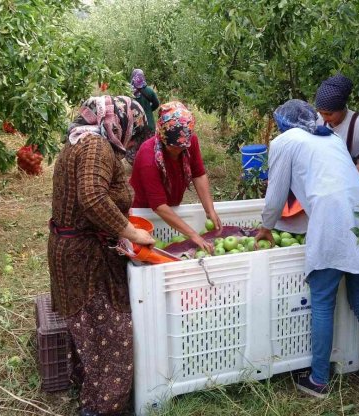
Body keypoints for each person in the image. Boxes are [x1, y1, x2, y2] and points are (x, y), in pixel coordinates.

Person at [255, 99, 359, 398]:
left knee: (322, 303)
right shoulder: (329, 137)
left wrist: (266, 227)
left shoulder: (284, 141)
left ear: (283, 123)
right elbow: (331, 183)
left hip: (335, 222)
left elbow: (276, 195)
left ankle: (318, 380)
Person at [48, 95, 155, 416]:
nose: (132, 140)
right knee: (113, 338)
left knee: (94, 332)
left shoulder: (83, 140)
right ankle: (98, 408)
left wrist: (117, 230)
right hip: (83, 258)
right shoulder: (95, 147)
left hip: (80, 250)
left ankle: (90, 392)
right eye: (132, 131)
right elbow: (92, 198)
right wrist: (131, 232)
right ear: (116, 122)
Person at [130, 101, 222, 253]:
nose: (178, 150)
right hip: (147, 214)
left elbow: (198, 174)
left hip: (172, 208)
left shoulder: (188, 140)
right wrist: (193, 235)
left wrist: (209, 210)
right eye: (173, 146)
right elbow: (158, 205)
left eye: (183, 147)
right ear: (162, 136)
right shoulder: (148, 157)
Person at [128, 68, 160, 160]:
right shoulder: (149, 91)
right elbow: (156, 103)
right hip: (148, 124)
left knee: (134, 146)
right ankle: (148, 162)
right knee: (149, 146)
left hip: (135, 125)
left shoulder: (128, 92)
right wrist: (149, 110)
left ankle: (136, 163)